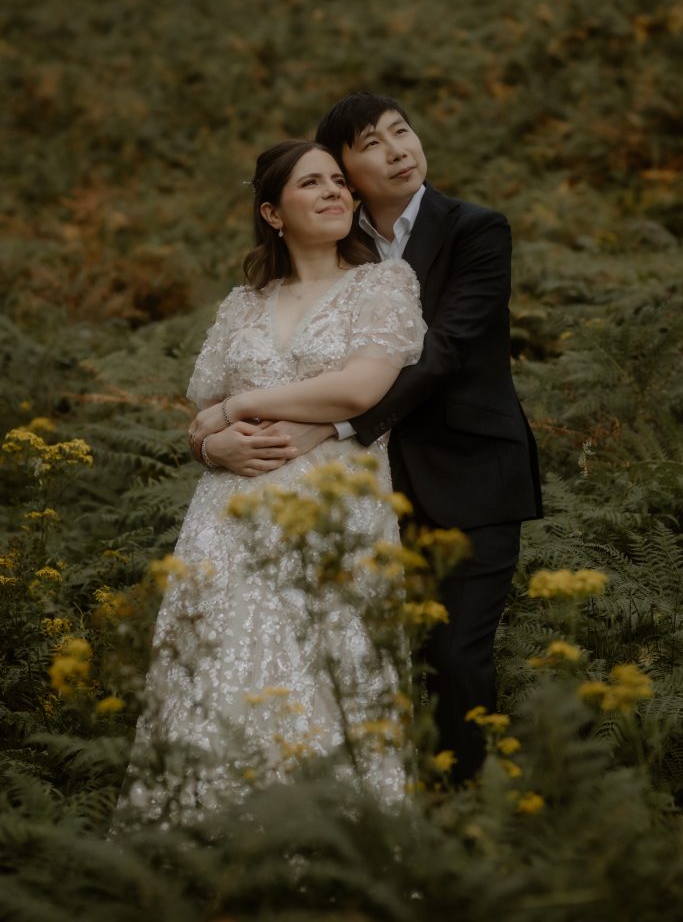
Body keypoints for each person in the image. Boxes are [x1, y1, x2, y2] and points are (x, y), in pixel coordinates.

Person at [201, 94, 543, 784]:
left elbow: (440, 353)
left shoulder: (475, 230)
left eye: (402, 133)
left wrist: (332, 424)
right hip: (350, 497)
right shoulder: (333, 250)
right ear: (345, 171)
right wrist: (211, 444)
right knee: (358, 660)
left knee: (454, 657)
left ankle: (465, 812)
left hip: (464, 477)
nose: (398, 151)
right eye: (372, 144)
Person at [115, 139, 426, 826]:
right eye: (311, 184)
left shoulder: (383, 284)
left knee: (324, 665)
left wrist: (237, 408)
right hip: (227, 513)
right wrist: (211, 442)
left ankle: (332, 849)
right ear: (272, 211)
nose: (334, 193)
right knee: (217, 668)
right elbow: (198, 413)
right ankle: (204, 838)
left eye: (340, 183)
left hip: (334, 504)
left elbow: (359, 388)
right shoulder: (244, 302)